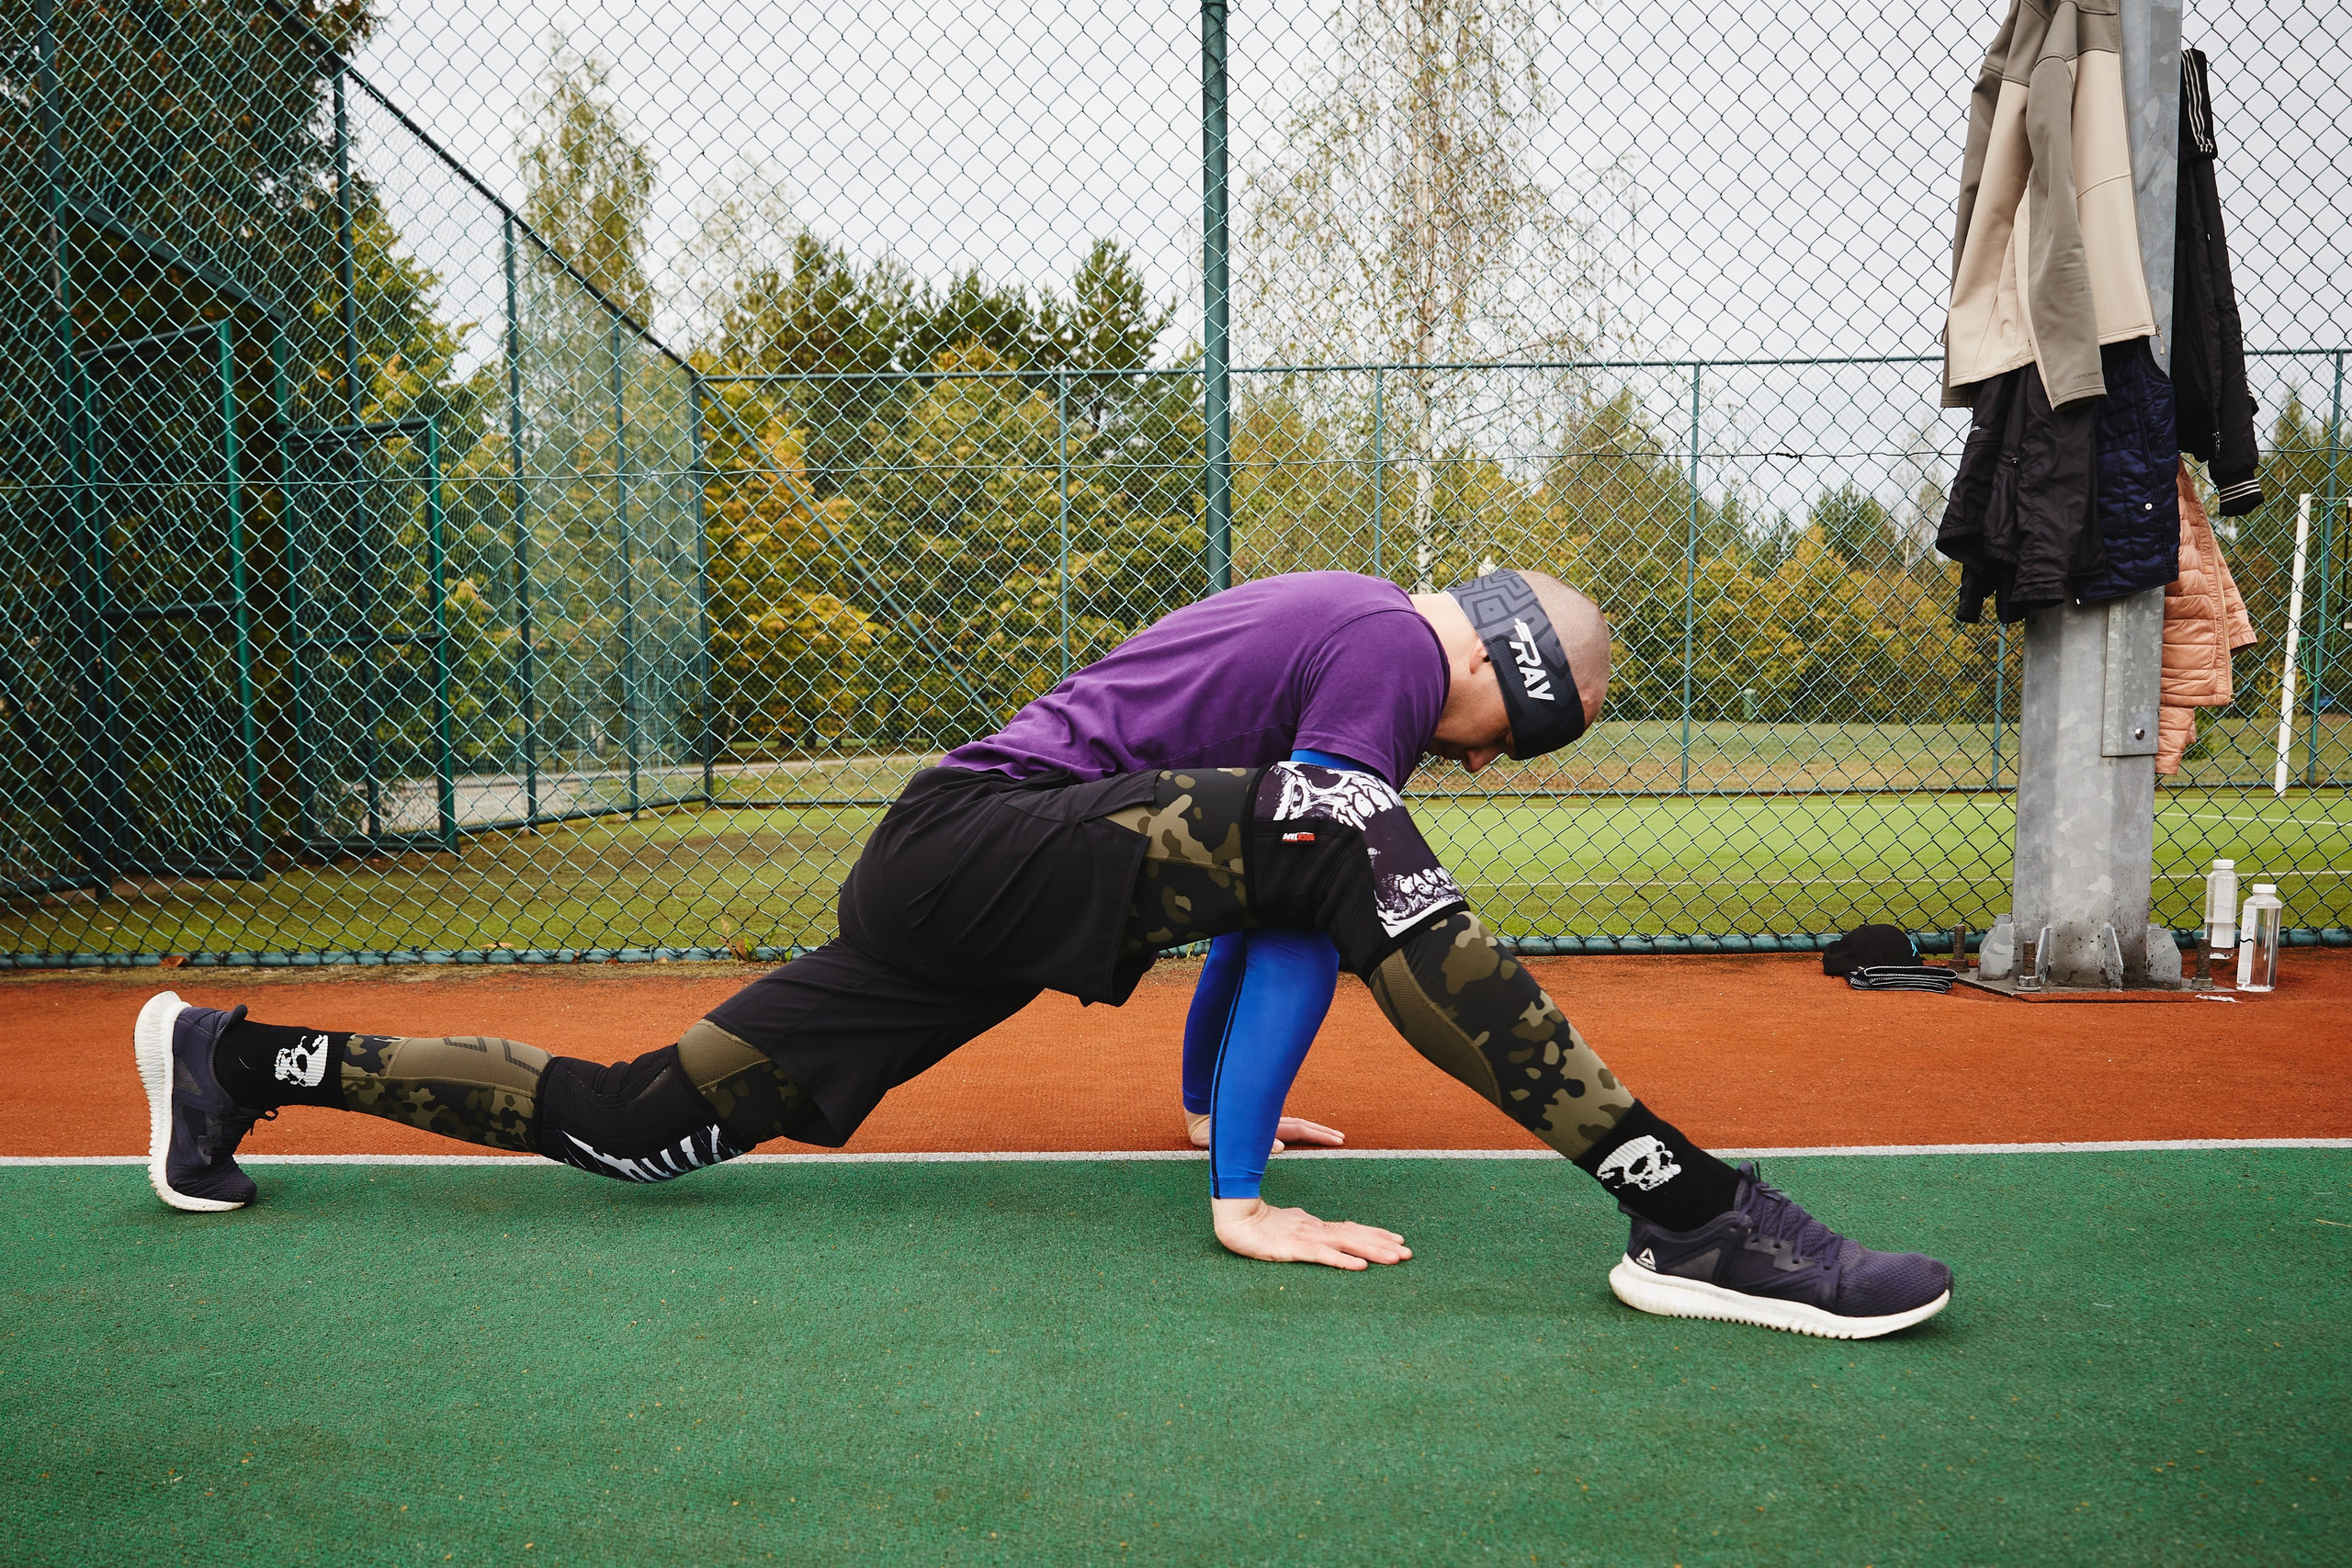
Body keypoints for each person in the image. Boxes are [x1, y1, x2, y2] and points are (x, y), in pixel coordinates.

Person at [137, 569, 1952, 1338]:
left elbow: (1263, 890)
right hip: (987, 846)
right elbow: (1309, 866)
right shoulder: (1395, 652)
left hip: (949, 880)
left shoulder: (1339, 637)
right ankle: (1692, 1213)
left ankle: (230, 1057)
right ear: (1496, 669)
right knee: (1344, 836)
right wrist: (1240, 1197)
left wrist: (1212, 1112)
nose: (1473, 763)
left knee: (638, 1122)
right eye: (1505, 740)